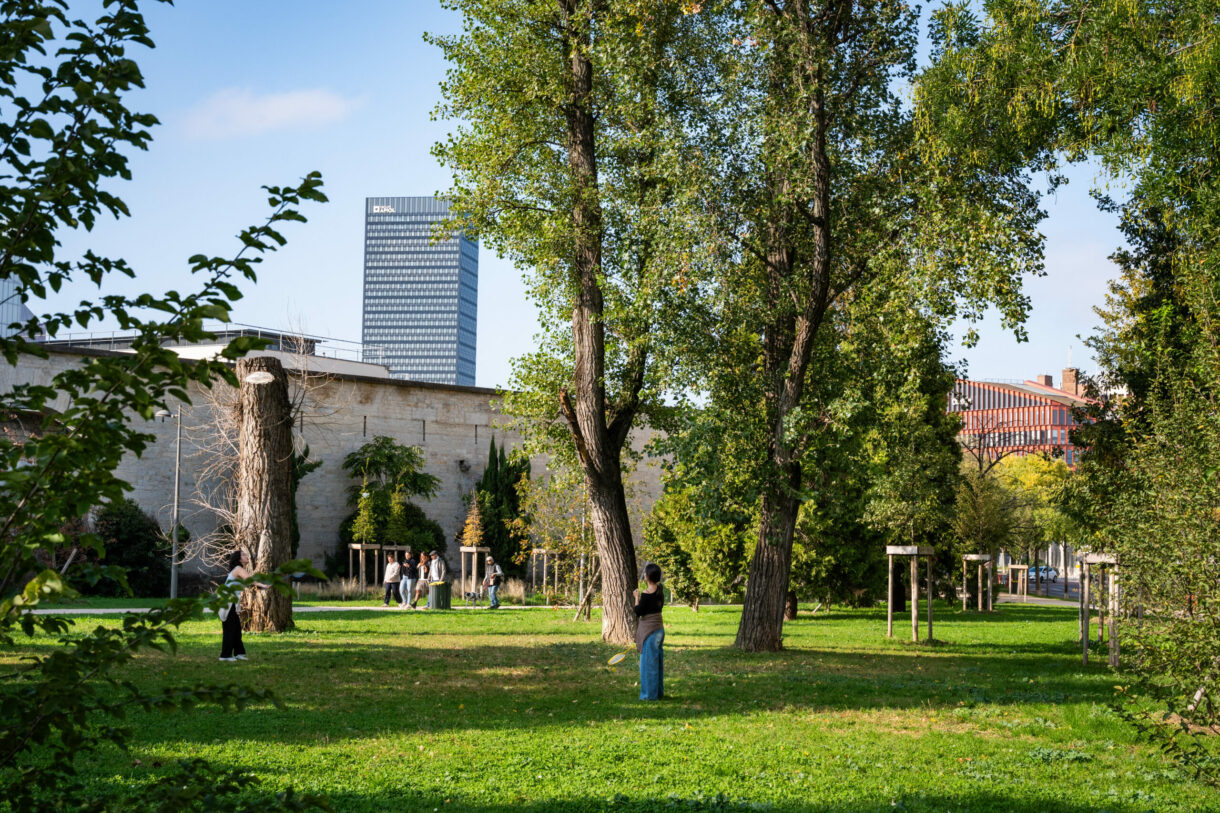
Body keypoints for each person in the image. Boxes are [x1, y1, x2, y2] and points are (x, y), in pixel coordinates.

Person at [219, 549, 265, 662]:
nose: (246, 556)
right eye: (244, 555)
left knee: (236, 628)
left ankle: (239, 653)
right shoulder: (238, 569)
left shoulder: (240, 570)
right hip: (227, 603)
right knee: (230, 629)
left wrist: (261, 585)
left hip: (232, 603)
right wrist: (263, 585)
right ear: (239, 559)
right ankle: (225, 656)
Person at [633, 562, 665, 700]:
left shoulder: (646, 594)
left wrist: (636, 598)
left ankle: (649, 696)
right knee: (656, 663)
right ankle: (658, 692)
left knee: (648, 665)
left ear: (647, 577)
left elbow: (638, 611)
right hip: (659, 629)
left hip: (650, 632)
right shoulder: (660, 590)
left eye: (645, 573)